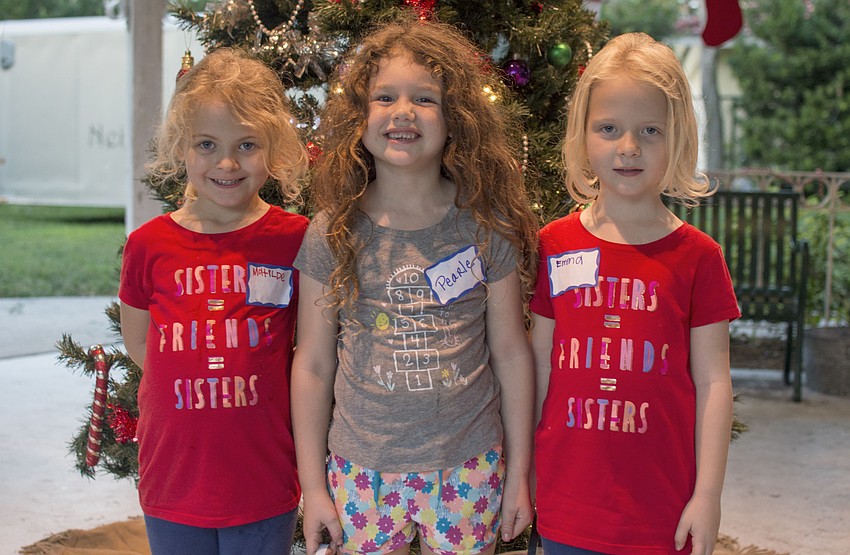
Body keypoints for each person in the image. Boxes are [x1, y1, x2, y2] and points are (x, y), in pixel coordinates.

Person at [291, 17, 538, 555]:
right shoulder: (332, 230)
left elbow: (512, 355)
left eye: (425, 98)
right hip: (362, 471)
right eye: (384, 96)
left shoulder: (485, 227)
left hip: (468, 466)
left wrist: (520, 470)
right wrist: (312, 486)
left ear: (456, 120)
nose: (403, 112)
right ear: (360, 117)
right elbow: (312, 363)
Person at [530, 32, 741, 555]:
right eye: (609, 129)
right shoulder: (554, 245)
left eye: (650, 130)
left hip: (663, 512)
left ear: (679, 140)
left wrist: (708, 496)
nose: (628, 147)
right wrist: (522, 472)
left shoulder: (698, 257)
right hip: (565, 505)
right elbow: (537, 364)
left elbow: (714, 383)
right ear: (582, 137)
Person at [118, 47, 309, 555]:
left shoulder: (295, 238)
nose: (227, 162)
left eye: (247, 144)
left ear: (275, 151)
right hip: (173, 477)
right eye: (207, 143)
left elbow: (310, 352)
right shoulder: (148, 245)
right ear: (182, 147)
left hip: (263, 478)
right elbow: (142, 344)